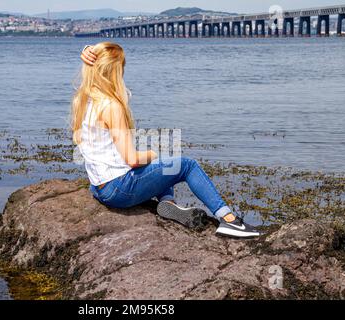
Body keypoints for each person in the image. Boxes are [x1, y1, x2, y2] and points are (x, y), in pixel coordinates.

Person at [73, 42, 260, 238]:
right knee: (186, 165)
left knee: (162, 165)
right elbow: (132, 160)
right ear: (115, 71)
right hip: (119, 190)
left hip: (99, 188)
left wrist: (87, 48)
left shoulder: (86, 101)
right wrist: (152, 154)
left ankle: (167, 204)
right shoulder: (111, 106)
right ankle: (229, 220)